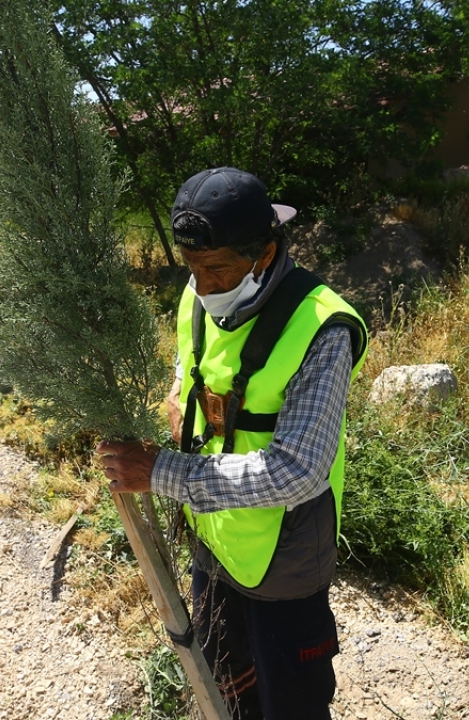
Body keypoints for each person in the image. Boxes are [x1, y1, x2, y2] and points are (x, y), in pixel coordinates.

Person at [97, 167, 368, 719]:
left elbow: (297, 470)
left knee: (290, 704)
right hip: (214, 537)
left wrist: (162, 472)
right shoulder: (198, 297)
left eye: (218, 269)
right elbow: (188, 367)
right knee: (228, 681)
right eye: (193, 268)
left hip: (283, 561)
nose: (204, 285)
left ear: (264, 254)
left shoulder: (322, 328)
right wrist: (180, 396)